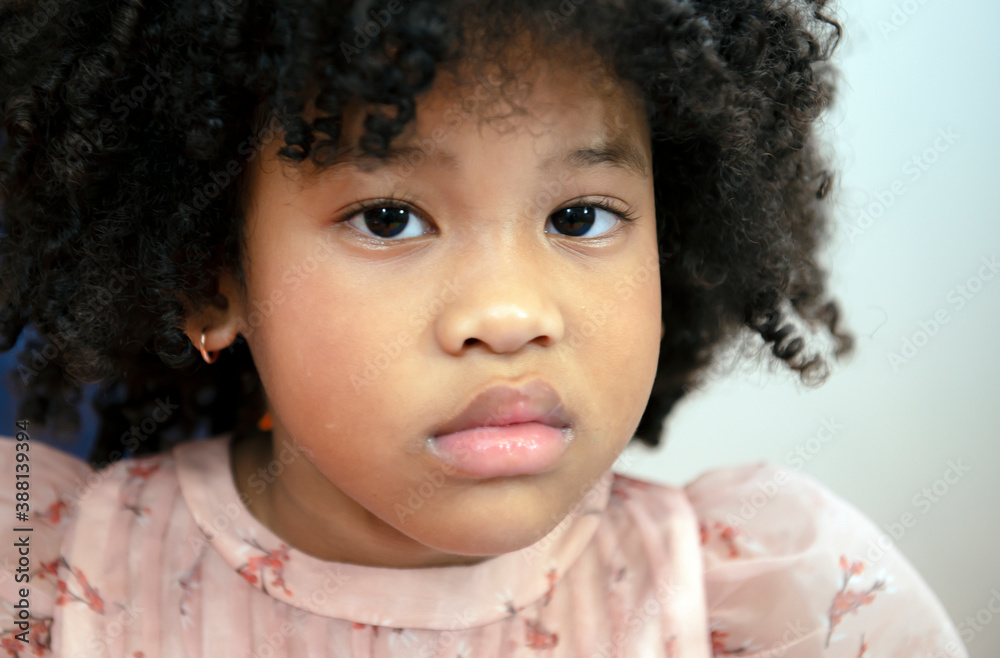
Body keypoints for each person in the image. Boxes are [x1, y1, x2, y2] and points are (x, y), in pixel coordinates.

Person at [0, 0, 969, 655]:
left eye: (579, 216)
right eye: (389, 217)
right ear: (209, 280)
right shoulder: (44, 574)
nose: (509, 315)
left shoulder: (773, 601)